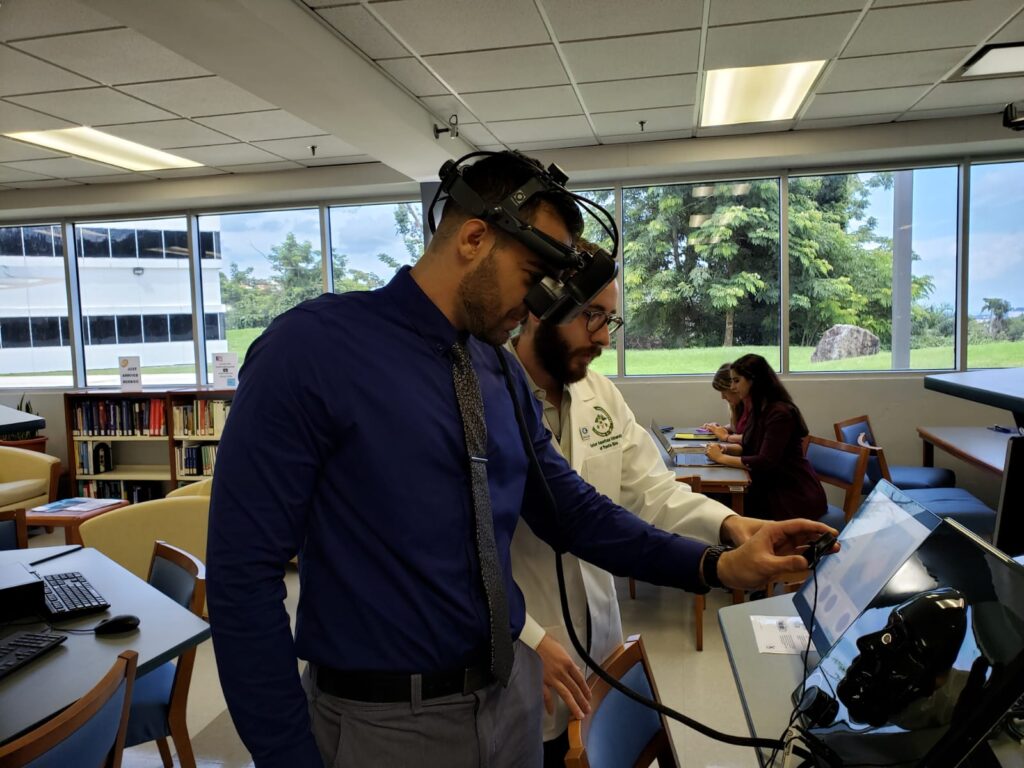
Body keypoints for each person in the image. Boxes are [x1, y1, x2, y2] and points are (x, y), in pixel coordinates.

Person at [207, 151, 835, 768]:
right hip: (386, 722)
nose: (542, 305)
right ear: (475, 237)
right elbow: (242, 576)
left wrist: (716, 565)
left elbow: (574, 512)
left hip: (509, 706)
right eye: (534, 275)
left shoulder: (497, 370)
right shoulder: (313, 350)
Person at [509, 273, 767, 766]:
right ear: (542, 304)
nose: (605, 338)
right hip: (525, 651)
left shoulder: (600, 395)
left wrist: (731, 527)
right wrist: (521, 636)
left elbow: (652, 491)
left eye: (612, 319)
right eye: (593, 316)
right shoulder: (486, 400)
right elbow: (461, 546)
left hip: (599, 633)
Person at [706, 354, 827, 521]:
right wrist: (725, 449)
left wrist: (722, 458)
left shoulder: (779, 413)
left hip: (791, 495)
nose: (732, 387)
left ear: (753, 381)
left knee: (718, 502)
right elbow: (749, 447)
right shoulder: (758, 409)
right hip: (771, 486)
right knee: (713, 499)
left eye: (736, 381)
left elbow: (765, 461)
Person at [703, 362, 747, 444]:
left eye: (724, 392)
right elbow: (740, 427)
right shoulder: (739, 406)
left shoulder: (753, 406)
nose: (722, 397)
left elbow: (753, 437)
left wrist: (726, 437)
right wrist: (720, 429)